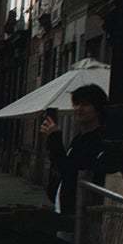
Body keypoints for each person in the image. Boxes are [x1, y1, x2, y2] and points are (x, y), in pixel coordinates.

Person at [40, 82, 112, 216]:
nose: (78, 108)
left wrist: (55, 139)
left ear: (98, 109)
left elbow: (70, 170)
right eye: (76, 104)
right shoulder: (79, 138)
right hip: (65, 208)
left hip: (80, 213)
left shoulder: (98, 139)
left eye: (85, 104)